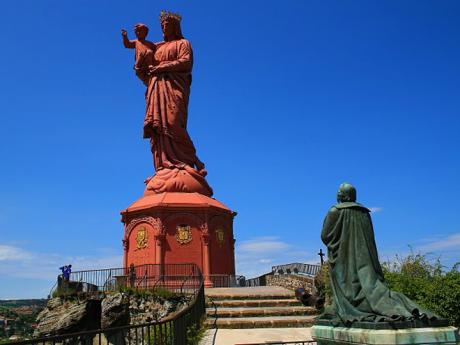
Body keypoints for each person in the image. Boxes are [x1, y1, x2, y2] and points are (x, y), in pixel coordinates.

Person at [318, 183, 439, 327]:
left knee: (347, 287)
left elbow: (325, 236)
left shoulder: (334, 211)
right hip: (365, 260)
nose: (337, 194)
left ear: (344, 195)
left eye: (339, 192)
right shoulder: (363, 212)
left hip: (342, 260)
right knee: (372, 288)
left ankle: (350, 307)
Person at [123, 11, 212, 196]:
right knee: (158, 129)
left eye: (167, 25)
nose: (164, 28)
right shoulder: (158, 47)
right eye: (162, 26)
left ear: (175, 27)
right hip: (156, 89)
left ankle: (192, 162)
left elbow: (186, 62)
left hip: (174, 89)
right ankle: (164, 165)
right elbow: (144, 55)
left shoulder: (183, 43)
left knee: (173, 123)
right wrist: (141, 59)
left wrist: (161, 67)